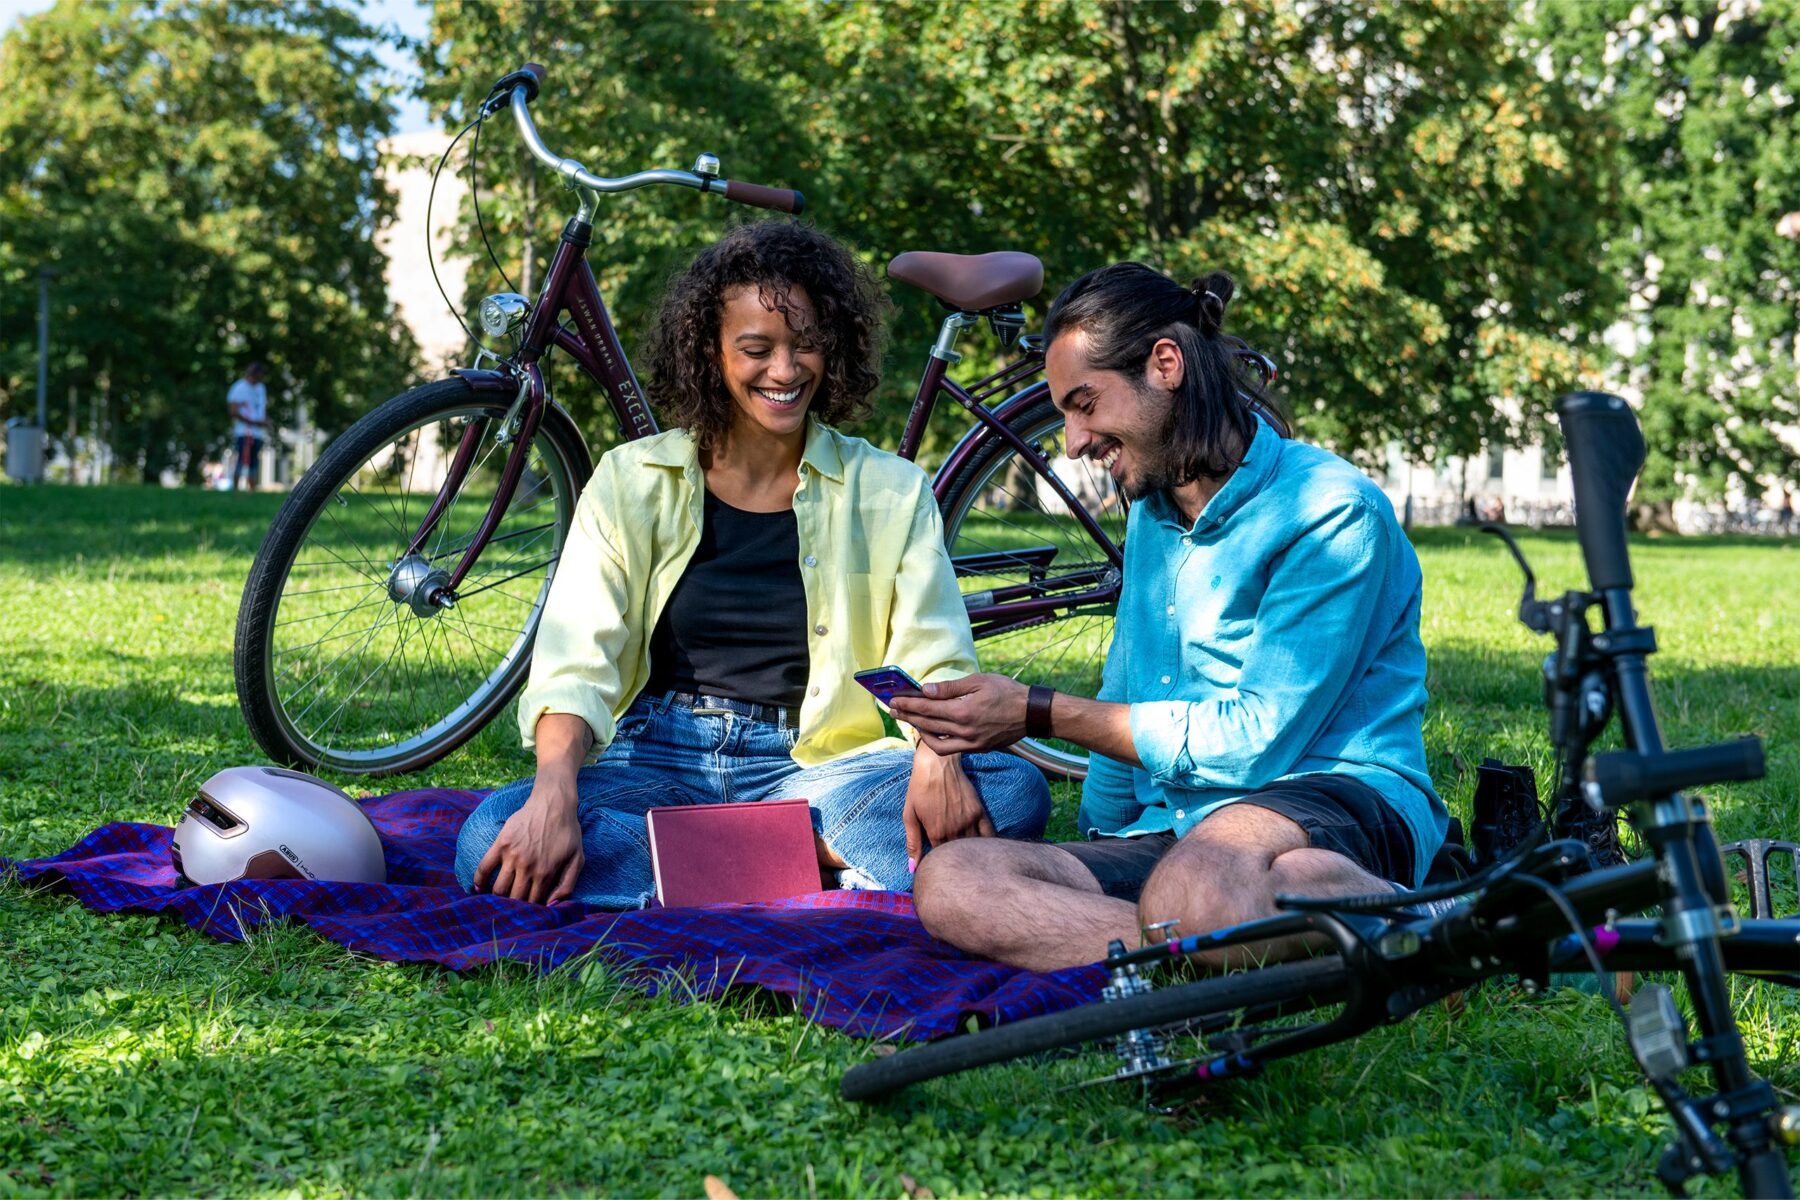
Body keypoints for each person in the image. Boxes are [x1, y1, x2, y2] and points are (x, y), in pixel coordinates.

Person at [454, 222, 1051, 908]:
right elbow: (574, 662)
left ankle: (692, 869)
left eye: (806, 345)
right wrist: (552, 797)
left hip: (818, 769)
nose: (785, 370)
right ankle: (810, 870)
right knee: (491, 832)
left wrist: (936, 756)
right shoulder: (632, 480)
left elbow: (936, 652)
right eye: (756, 349)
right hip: (657, 757)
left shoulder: (889, 488)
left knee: (1011, 788)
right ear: (710, 353)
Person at [894, 262, 1450, 972]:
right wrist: (1104, 833)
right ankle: (1220, 947)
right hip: (1185, 830)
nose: (1071, 441)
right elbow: (1129, 683)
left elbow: (1258, 740)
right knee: (955, 880)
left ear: (1165, 364)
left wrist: (1038, 711)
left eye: (1085, 404)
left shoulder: (1329, 511)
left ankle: (1429, 915)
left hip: (1331, 794)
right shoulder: (1153, 520)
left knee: (1203, 882)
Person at [227, 361, 269, 491]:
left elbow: (261, 409)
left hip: (258, 433)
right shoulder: (239, 388)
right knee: (241, 460)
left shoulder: (261, 388)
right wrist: (254, 422)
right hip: (244, 432)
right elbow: (233, 411)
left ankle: (252, 491)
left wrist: (265, 421)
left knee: (254, 462)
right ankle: (236, 489)